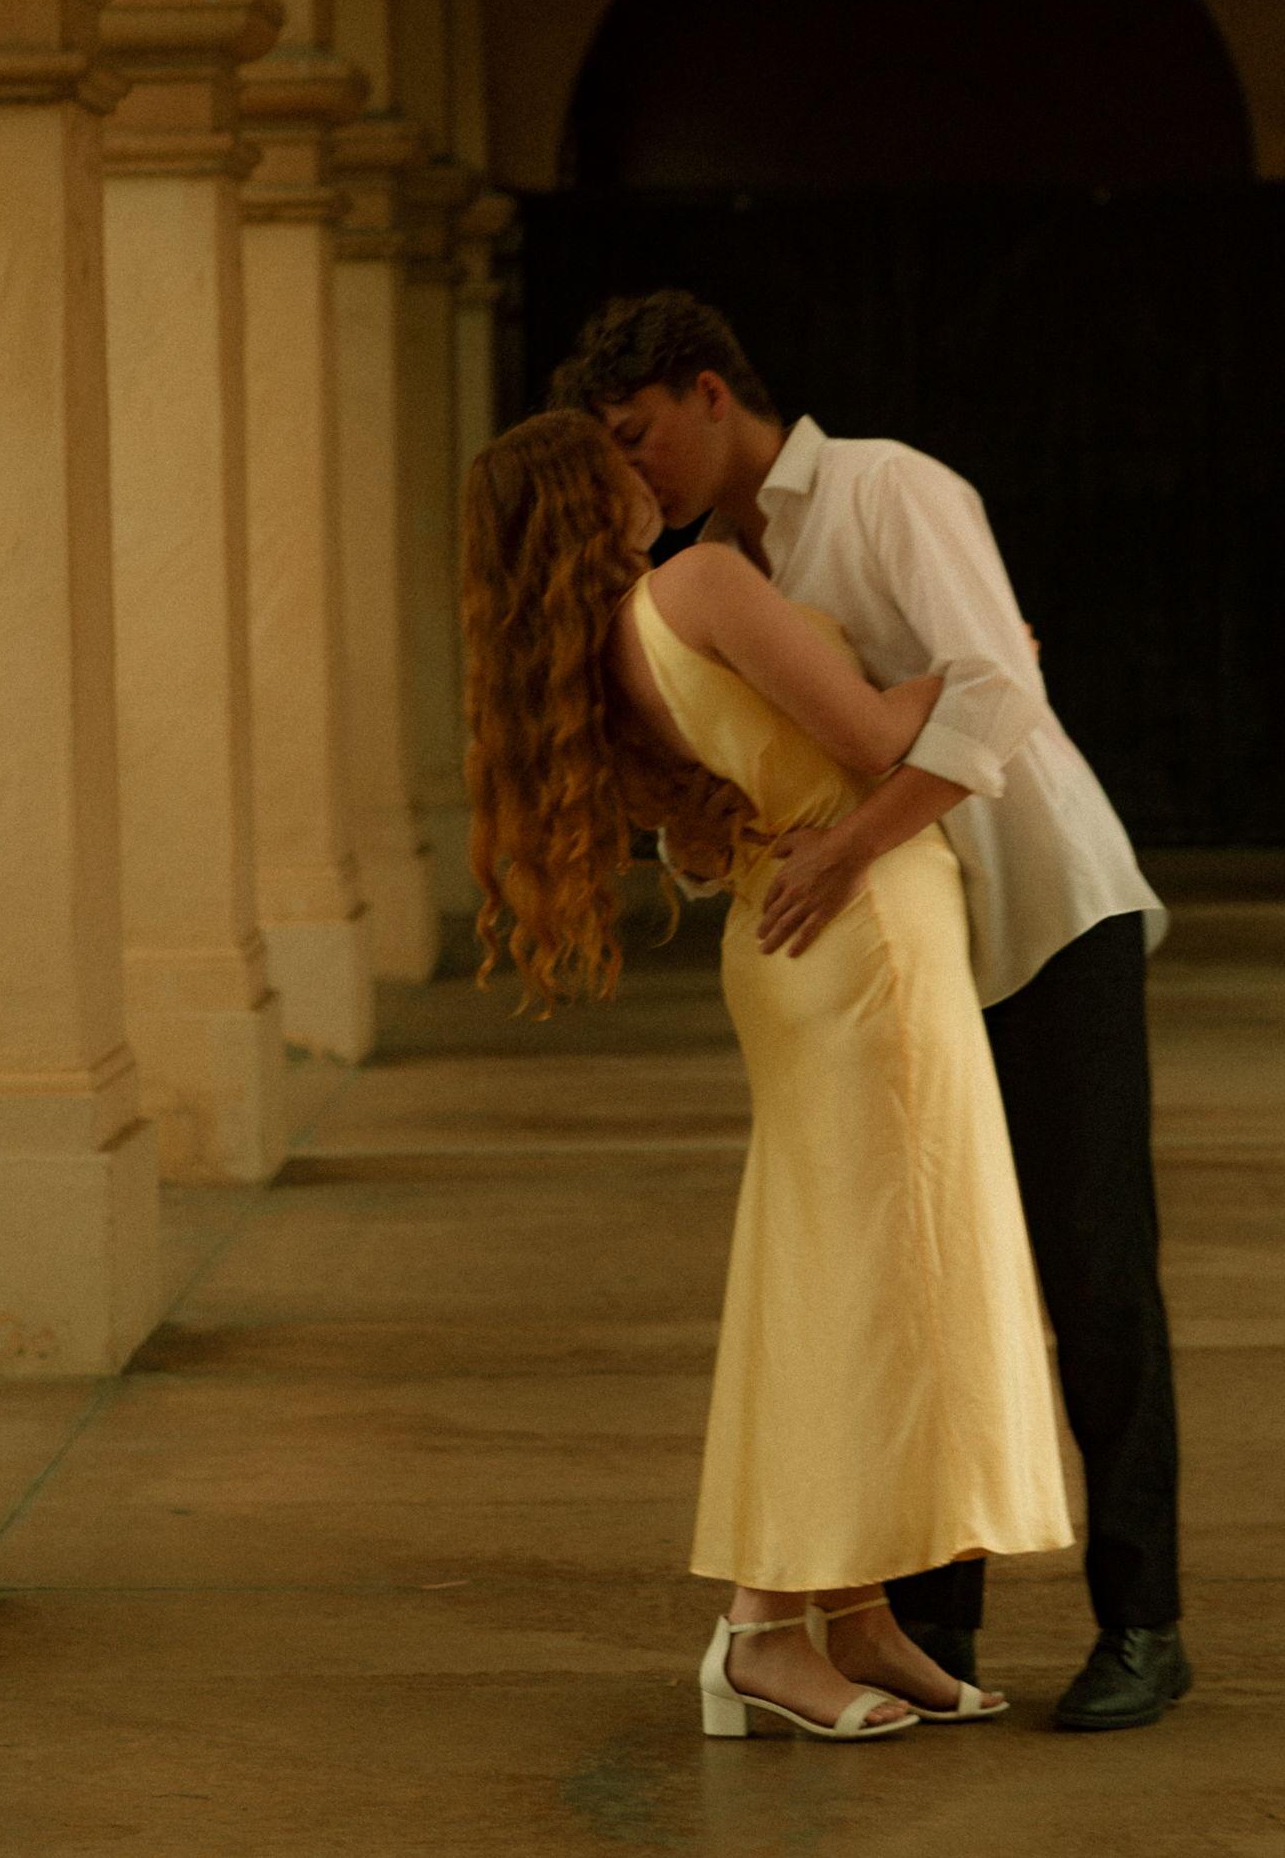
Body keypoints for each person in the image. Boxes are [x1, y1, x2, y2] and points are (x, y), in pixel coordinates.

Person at [550, 291, 1189, 1731]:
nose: (636, 473)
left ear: (712, 395)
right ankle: (926, 1617)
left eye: (642, 437)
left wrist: (854, 837)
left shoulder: (889, 485)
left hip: (1043, 909)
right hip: (900, 956)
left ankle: (1141, 1618)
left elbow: (998, 696)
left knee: (1093, 1270)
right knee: (923, 1270)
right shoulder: (713, 569)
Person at [460, 408, 1074, 1742]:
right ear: (591, 493)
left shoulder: (606, 646)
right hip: (863, 942)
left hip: (795, 931)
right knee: (856, 1284)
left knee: (829, 1271)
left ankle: (849, 1613)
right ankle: (759, 1631)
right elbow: (866, 733)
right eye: (615, 455)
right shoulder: (700, 584)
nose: (647, 468)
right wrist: (985, 666)